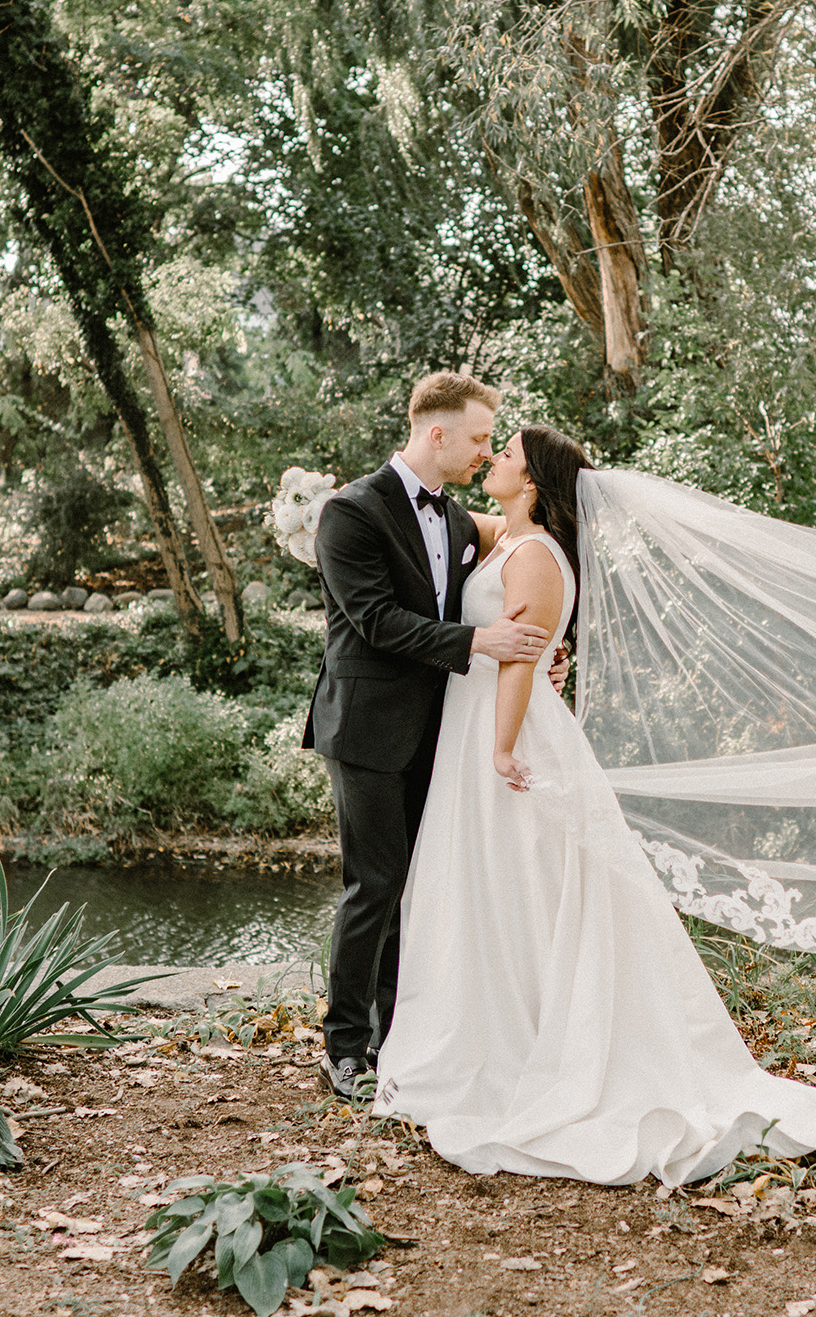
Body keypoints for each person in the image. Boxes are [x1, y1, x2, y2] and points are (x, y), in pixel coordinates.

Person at [368, 425, 816, 1184]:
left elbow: (518, 657)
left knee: (524, 887)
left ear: (534, 481)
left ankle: (531, 1044)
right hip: (475, 728)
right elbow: (442, 528)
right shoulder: (511, 540)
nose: (493, 459)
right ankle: (489, 1025)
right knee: (500, 887)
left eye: (504, 453)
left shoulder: (538, 557)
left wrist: (504, 747)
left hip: (505, 737)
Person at [302, 372, 553, 1101]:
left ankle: (394, 1033)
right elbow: (375, 621)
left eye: (490, 442)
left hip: (440, 728)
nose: (484, 450)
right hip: (367, 726)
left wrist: (538, 640)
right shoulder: (349, 512)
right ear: (435, 433)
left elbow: (526, 555)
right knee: (372, 886)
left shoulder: (453, 517)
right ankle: (344, 1047)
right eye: (478, 437)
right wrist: (484, 640)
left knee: (415, 889)